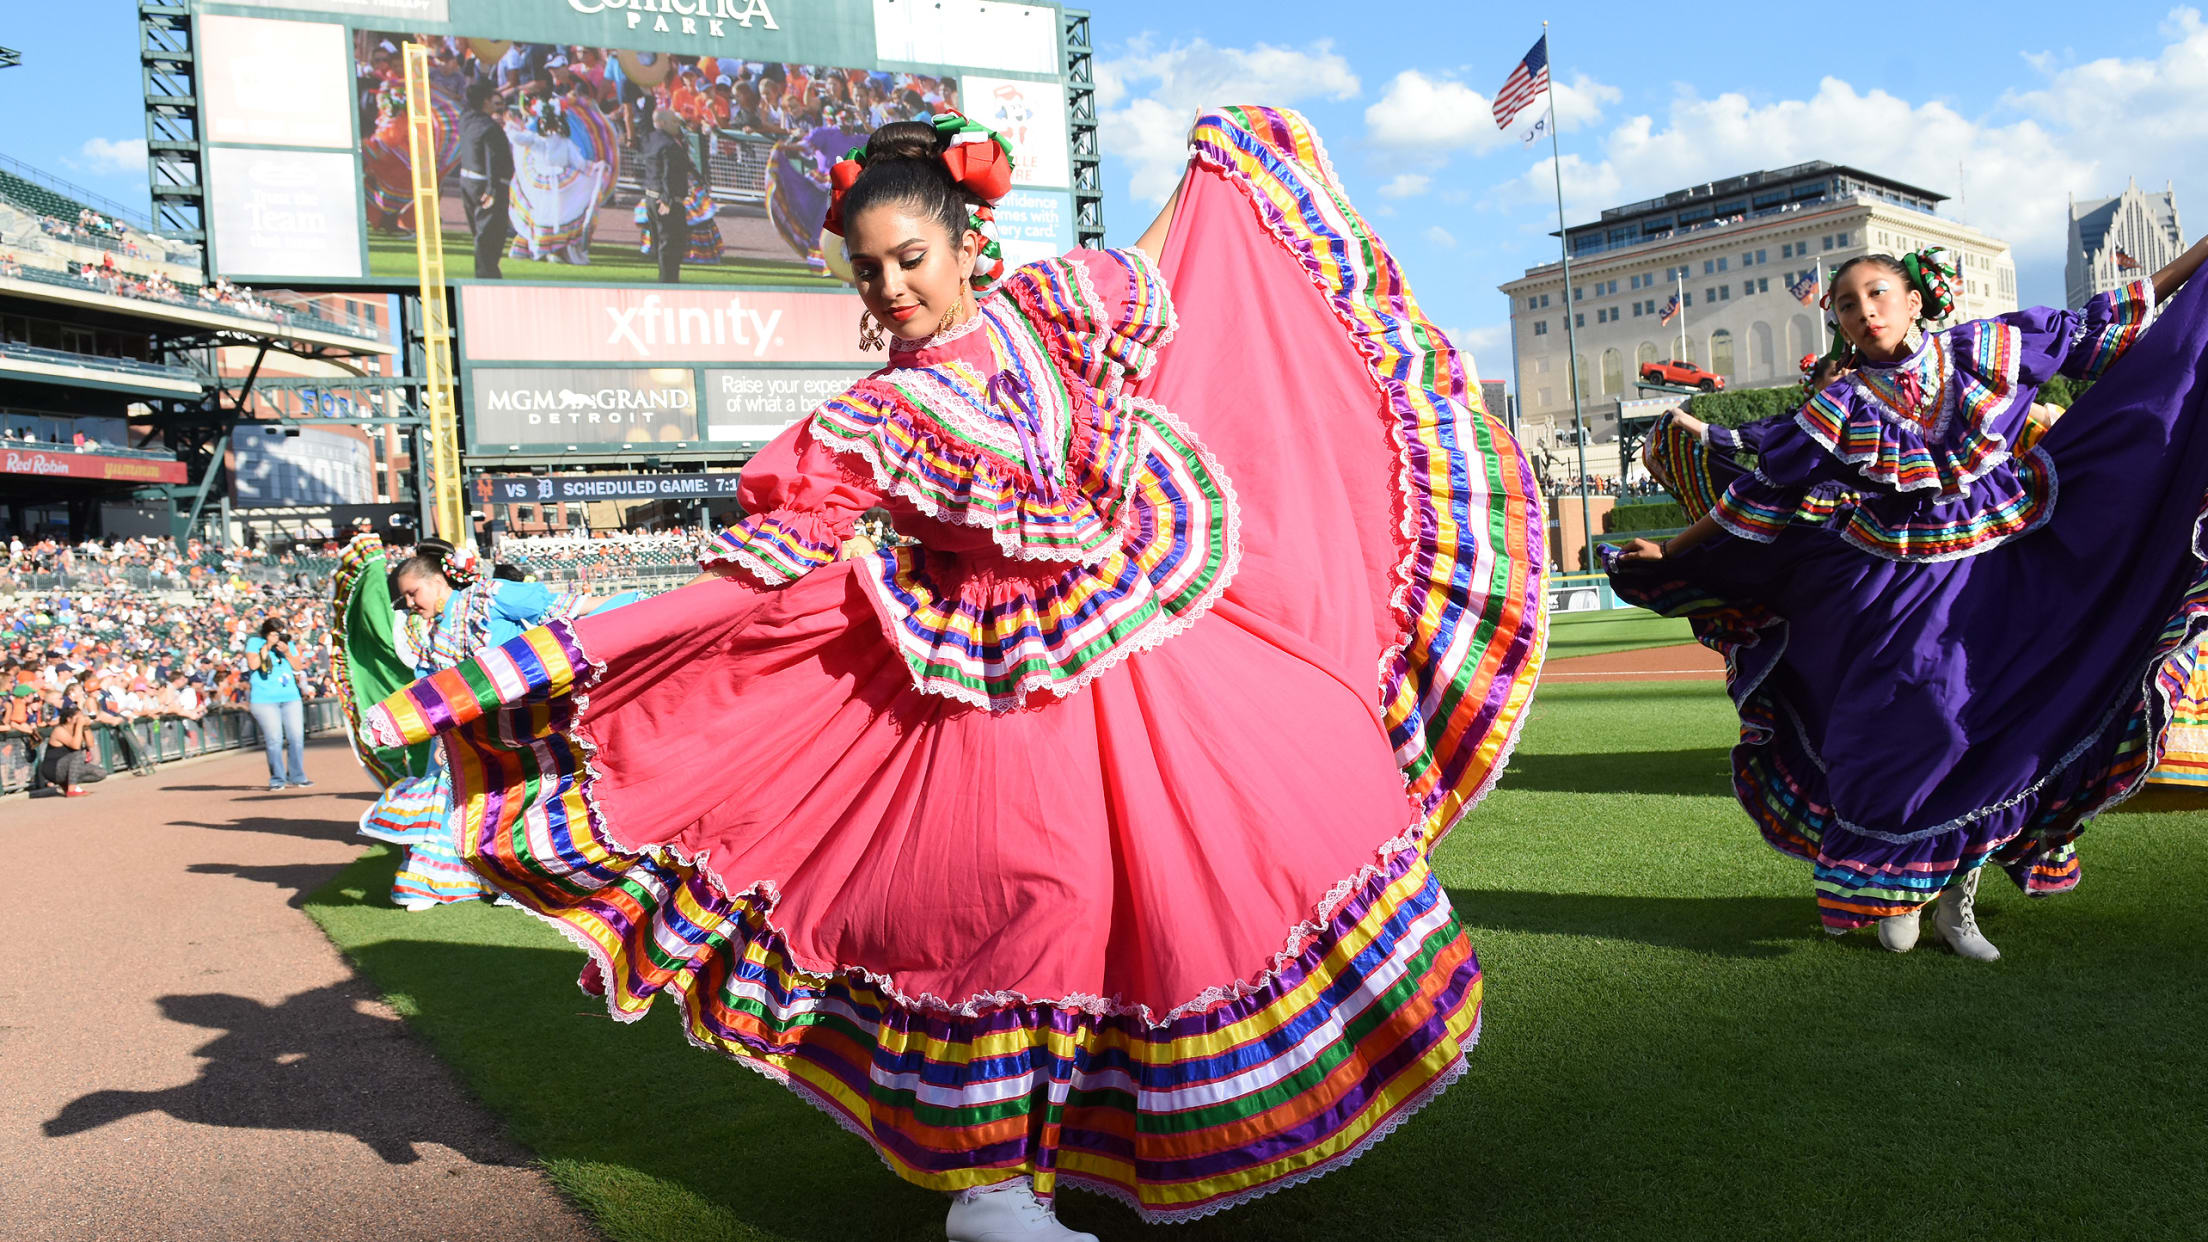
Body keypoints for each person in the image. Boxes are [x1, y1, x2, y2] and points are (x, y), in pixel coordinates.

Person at [368, 106, 1545, 1239]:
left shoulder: (1059, 310)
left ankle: (1070, 1156)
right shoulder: (871, 418)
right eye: (868, 269)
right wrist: (538, 661)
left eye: (911, 258)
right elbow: (752, 581)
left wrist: (1217, 161)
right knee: (1033, 913)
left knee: (1236, 856)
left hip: (1148, 647)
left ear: (971, 243)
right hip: (987, 689)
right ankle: (992, 1191)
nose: (891, 289)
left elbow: (1167, 259)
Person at [1613, 237, 2208, 961]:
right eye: (1847, 306)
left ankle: (1957, 905)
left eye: (1878, 295)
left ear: (1913, 301)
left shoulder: (1986, 350)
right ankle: (1897, 886)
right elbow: (1762, 491)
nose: (1865, 313)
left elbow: (2100, 323)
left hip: (2004, 575)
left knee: (1989, 724)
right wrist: (1674, 551)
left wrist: (2199, 259)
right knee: (1899, 727)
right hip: (1894, 592)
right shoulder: (1835, 406)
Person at [244, 617, 310, 791]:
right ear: (266, 633)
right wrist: (266, 646)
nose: (278, 636)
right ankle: (277, 778)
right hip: (265, 699)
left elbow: (298, 666)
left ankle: (297, 776)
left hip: (290, 696)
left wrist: (287, 652)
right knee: (274, 739)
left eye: (280, 632)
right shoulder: (255, 642)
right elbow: (253, 664)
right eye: (275, 633)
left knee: (296, 738)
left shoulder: (287, 643)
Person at [457, 80, 514, 279]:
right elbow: (494, 162)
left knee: (481, 235)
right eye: (493, 100)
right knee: (490, 236)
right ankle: (486, 276)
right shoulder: (490, 128)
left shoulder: (465, 119)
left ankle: (486, 273)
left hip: (467, 183)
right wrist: (492, 190)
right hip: (486, 186)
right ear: (485, 101)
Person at [637, 108, 692, 284]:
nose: (678, 126)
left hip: (650, 197)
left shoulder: (649, 139)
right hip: (666, 199)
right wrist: (668, 199)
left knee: (661, 242)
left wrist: (648, 98)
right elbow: (669, 174)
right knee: (671, 243)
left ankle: (666, 278)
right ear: (663, 123)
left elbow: (644, 123)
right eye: (674, 122)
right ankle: (668, 282)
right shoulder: (669, 145)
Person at [37, 696, 104, 797]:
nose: (80, 720)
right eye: (77, 718)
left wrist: (85, 728)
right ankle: (72, 789)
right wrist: (80, 725)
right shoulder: (59, 730)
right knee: (77, 754)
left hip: (67, 767)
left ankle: (66, 785)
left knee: (100, 773)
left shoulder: (77, 729)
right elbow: (75, 746)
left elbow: (90, 744)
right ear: (69, 719)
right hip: (52, 769)